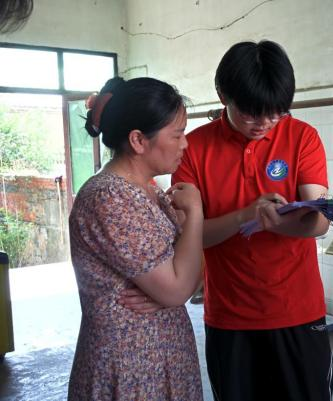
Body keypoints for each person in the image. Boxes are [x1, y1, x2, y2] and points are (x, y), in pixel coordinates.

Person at [172, 40, 333, 401]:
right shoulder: (193, 149)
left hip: (297, 312)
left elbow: (319, 221)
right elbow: (191, 237)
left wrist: (275, 221)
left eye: (275, 113)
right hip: (230, 318)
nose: (264, 123)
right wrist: (246, 216)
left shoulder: (303, 137)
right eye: (251, 113)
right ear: (223, 94)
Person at [68, 77, 204, 400]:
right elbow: (179, 287)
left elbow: (191, 277)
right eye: (177, 135)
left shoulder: (148, 191)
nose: (185, 144)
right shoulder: (109, 198)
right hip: (131, 369)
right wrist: (196, 214)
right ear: (138, 140)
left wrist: (176, 287)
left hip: (162, 358)